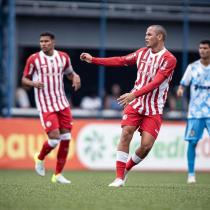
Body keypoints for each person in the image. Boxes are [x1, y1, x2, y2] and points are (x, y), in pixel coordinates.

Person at [80, 25, 177, 187]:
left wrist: (133, 94)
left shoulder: (169, 59)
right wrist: (93, 60)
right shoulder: (141, 53)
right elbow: (120, 60)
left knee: (145, 146)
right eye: (145, 34)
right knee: (126, 133)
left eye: (149, 34)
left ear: (159, 37)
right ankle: (119, 178)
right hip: (136, 103)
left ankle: (125, 169)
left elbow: (156, 82)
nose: (146, 37)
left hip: (153, 108)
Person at [22, 32, 81, 184]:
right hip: (45, 104)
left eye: (46, 41)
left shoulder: (63, 57)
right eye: (41, 41)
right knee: (54, 140)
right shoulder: (34, 59)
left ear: (53, 42)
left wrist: (75, 77)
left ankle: (58, 174)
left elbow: (69, 73)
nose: (43, 44)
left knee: (66, 137)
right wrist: (33, 83)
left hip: (62, 102)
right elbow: (24, 80)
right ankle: (40, 157)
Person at [177, 40, 210, 184]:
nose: (202, 50)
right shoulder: (192, 67)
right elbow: (183, 84)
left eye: (205, 48)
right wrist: (180, 90)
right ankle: (191, 174)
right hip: (195, 113)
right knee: (192, 143)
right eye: (200, 48)